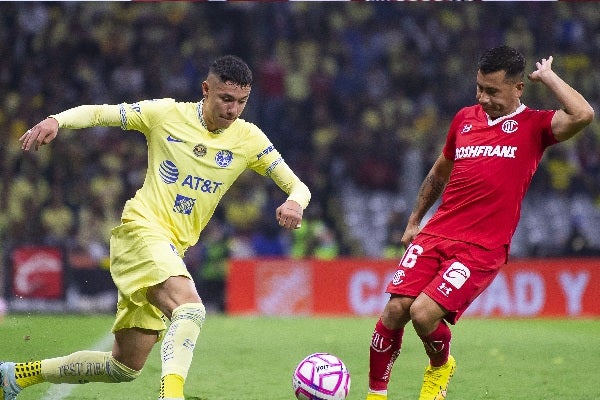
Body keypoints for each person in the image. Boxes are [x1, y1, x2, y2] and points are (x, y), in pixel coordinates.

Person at [6, 55, 311, 400]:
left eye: (242, 102)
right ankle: (171, 396)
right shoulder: (165, 114)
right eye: (226, 99)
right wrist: (57, 120)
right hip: (141, 233)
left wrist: (294, 202)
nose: (233, 110)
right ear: (206, 89)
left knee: (123, 366)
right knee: (191, 308)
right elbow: (102, 112)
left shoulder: (248, 138)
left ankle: (16, 376)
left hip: (170, 250)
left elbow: (298, 186)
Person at [365, 45, 594, 400]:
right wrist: (415, 220)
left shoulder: (534, 126)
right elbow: (439, 173)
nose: (482, 97)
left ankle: (440, 368)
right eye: (479, 88)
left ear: (518, 88)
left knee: (424, 314)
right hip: (437, 231)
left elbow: (582, 114)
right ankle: (376, 395)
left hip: (481, 247)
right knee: (395, 309)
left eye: (492, 91)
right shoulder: (464, 119)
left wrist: (548, 76)